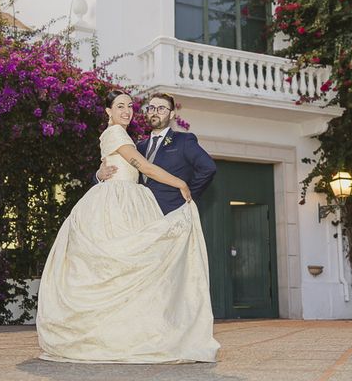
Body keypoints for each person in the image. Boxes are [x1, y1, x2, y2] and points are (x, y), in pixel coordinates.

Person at [36, 90, 219, 364]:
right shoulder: (125, 138)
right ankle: (115, 338)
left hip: (148, 211)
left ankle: (130, 333)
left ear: (171, 113)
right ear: (108, 111)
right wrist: (179, 183)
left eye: (129, 106)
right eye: (119, 106)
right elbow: (141, 165)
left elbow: (205, 168)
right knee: (120, 269)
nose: (127, 110)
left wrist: (188, 192)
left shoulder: (174, 140)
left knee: (132, 276)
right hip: (121, 209)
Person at [96, 93, 216, 214]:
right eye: (151, 108)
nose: (155, 112)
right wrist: (99, 176)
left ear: (171, 114)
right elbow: (127, 172)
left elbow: (208, 167)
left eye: (161, 109)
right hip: (139, 214)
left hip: (172, 213)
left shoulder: (183, 141)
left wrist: (188, 196)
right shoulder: (138, 146)